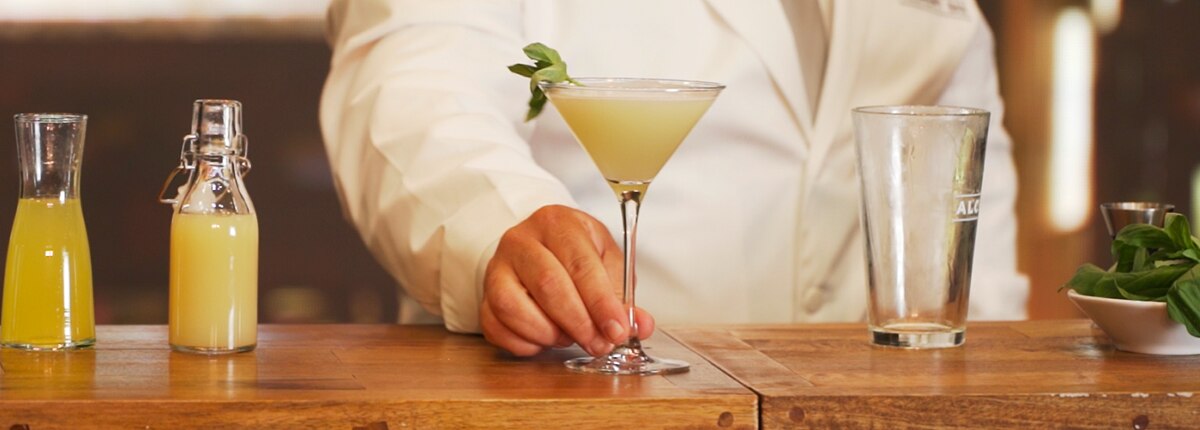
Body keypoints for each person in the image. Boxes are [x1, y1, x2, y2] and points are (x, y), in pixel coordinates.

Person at [319, 0, 1029, 357]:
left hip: (859, 406)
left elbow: (969, 202)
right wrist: (499, 224)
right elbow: (410, 80)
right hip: (567, 400)